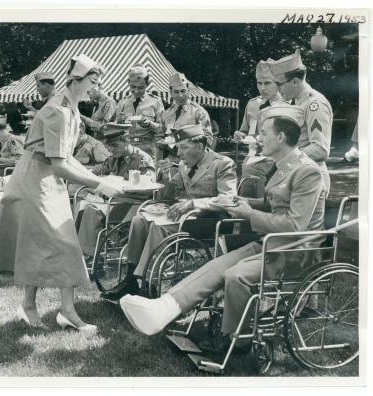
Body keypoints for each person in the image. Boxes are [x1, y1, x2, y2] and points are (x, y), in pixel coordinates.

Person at [119, 105, 326, 344]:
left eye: (264, 133)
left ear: (280, 137)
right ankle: (162, 309)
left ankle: (236, 339)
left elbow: (295, 226)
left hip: (295, 251)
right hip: (270, 242)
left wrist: (248, 214)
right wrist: (243, 201)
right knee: (216, 266)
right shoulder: (284, 165)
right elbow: (273, 205)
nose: (258, 138)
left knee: (235, 276)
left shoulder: (307, 171)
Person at [0, 54, 124, 332]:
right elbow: (59, 163)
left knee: (47, 243)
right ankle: (52, 309)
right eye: (92, 81)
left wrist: (98, 178)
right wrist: (98, 185)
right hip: (34, 181)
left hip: (46, 180)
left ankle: (53, 309)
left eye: (97, 81)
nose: (95, 87)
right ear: (75, 79)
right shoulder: (57, 111)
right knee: (64, 243)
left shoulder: (71, 109)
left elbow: (66, 157)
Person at [101, 124, 238, 301]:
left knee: (159, 228)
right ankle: (130, 279)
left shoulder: (222, 164)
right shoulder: (183, 164)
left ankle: (147, 282)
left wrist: (193, 203)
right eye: (177, 148)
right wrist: (165, 175)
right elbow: (167, 195)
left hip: (208, 221)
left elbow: (229, 199)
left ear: (200, 146)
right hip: (184, 218)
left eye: (183, 147)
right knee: (139, 220)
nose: (178, 153)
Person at [77, 123, 156, 260]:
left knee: (92, 210)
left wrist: (118, 182)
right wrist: (90, 174)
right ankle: (83, 250)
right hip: (114, 201)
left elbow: (149, 185)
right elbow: (99, 171)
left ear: (127, 140)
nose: (111, 150)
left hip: (134, 203)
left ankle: (89, 255)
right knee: (82, 206)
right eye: (108, 146)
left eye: (114, 146)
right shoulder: (113, 159)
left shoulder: (142, 159)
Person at [270, 49, 333, 195]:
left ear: (295, 81)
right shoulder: (296, 102)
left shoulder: (314, 104)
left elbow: (320, 149)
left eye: (279, 84)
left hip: (312, 178)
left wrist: (285, 157)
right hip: (298, 174)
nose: (277, 90)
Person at [233, 60, 286, 198]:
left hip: (275, 163)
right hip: (251, 163)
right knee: (246, 203)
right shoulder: (252, 104)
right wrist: (240, 135)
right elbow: (245, 131)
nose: (263, 88)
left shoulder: (288, 105)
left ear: (278, 82)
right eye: (259, 83)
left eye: (268, 83)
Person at [115, 64, 164, 160]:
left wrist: (149, 124)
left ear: (147, 84)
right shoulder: (123, 103)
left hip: (148, 148)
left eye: (141, 87)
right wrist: (119, 122)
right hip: (127, 148)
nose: (136, 91)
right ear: (128, 83)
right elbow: (114, 130)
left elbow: (162, 129)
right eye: (133, 87)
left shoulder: (155, 102)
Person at [161, 72, 216, 150]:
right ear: (171, 93)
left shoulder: (199, 112)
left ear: (188, 91)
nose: (180, 95)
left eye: (183, 91)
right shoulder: (166, 114)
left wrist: (188, 138)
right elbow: (160, 137)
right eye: (176, 92)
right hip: (171, 158)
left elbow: (208, 139)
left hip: (191, 158)